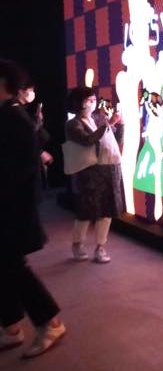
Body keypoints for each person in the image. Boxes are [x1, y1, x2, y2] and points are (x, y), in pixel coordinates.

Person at [0, 59, 66, 357]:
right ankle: (12, 327)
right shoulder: (8, 114)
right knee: (5, 267)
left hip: (11, 210)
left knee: (13, 267)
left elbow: (21, 169)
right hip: (10, 207)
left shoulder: (13, 117)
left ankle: (50, 322)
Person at [63, 87, 124, 264]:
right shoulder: (73, 124)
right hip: (89, 170)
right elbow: (87, 140)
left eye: (93, 99)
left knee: (107, 209)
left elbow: (115, 140)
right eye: (89, 99)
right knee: (87, 209)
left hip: (110, 166)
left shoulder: (99, 118)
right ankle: (77, 244)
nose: (93, 102)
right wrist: (108, 124)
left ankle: (100, 247)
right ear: (79, 102)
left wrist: (120, 124)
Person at [16, 80, 54, 187]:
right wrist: (40, 152)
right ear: (20, 91)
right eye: (30, 90)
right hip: (23, 164)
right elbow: (24, 137)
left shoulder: (24, 110)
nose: (32, 93)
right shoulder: (16, 111)